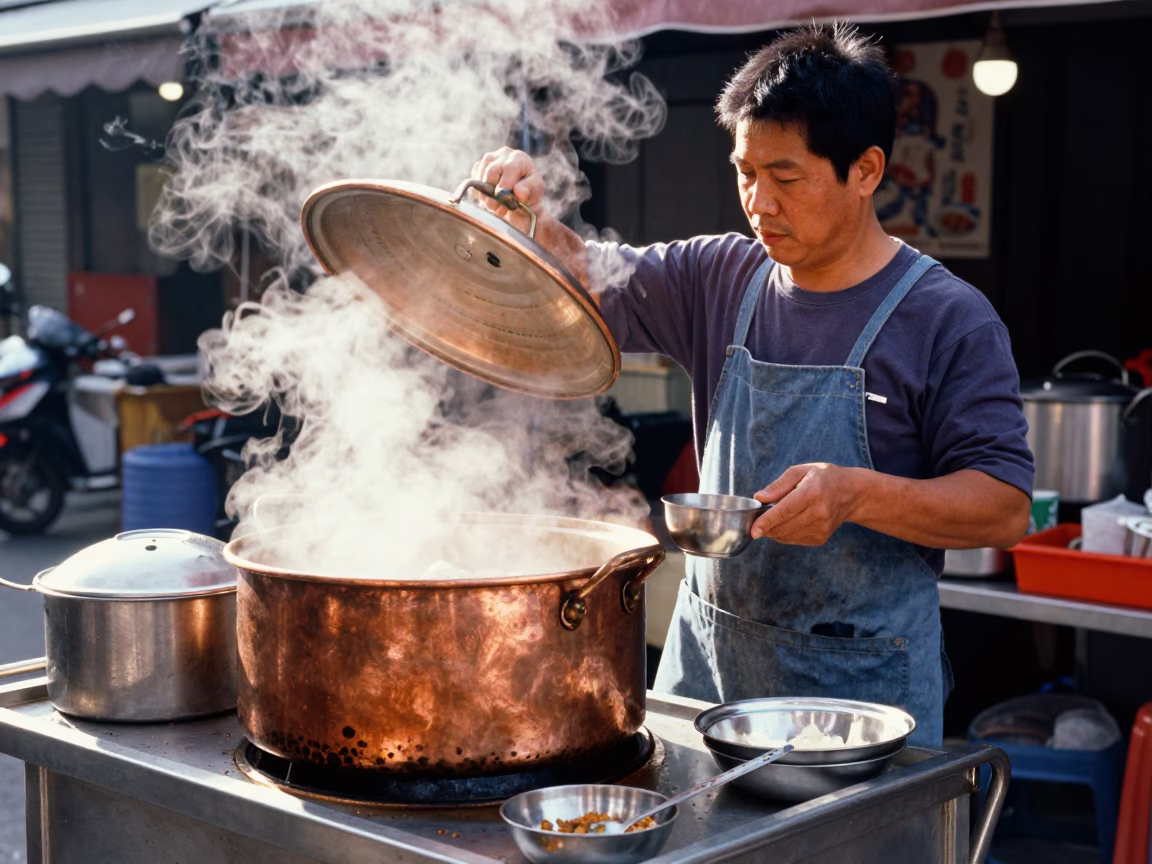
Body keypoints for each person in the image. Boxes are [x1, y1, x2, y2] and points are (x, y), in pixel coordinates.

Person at [472, 23, 1033, 747]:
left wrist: (855, 494)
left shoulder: (947, 317)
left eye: (786, 178)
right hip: (708, 669)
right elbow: (584, 280)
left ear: (865, 171)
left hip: (858, 702)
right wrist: (531, 223)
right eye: (745, 172)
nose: (758, 202)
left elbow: (1004, 507)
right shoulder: (719, 277)